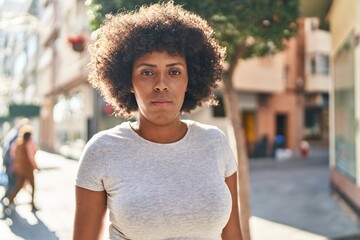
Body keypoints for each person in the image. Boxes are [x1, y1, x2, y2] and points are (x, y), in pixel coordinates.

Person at [73, 2, 243, 240]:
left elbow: (232, 235)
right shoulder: (102, 151)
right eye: (147, 72)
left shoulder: (215, 143)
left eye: (174, 72)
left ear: (189, 79)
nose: (161, 84)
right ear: (129, 82)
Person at [6, 124, 38, 211]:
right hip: (27, 169)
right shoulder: (28, 143)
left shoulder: (17, 142)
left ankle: (9, 201)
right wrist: (36, 167)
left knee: (19, 186)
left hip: (19, 168)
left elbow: (12, 154)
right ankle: (32, 204)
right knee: (32, 186)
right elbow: (31, 157)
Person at [1, 118, 29, 204]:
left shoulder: (13, 133)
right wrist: (13, 164)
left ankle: (8, 201)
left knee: (12, 183)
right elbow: (12, 152)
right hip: (11, 163)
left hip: (8, 162)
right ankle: (5, 201)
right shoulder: (17, 136)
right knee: (13, 183)